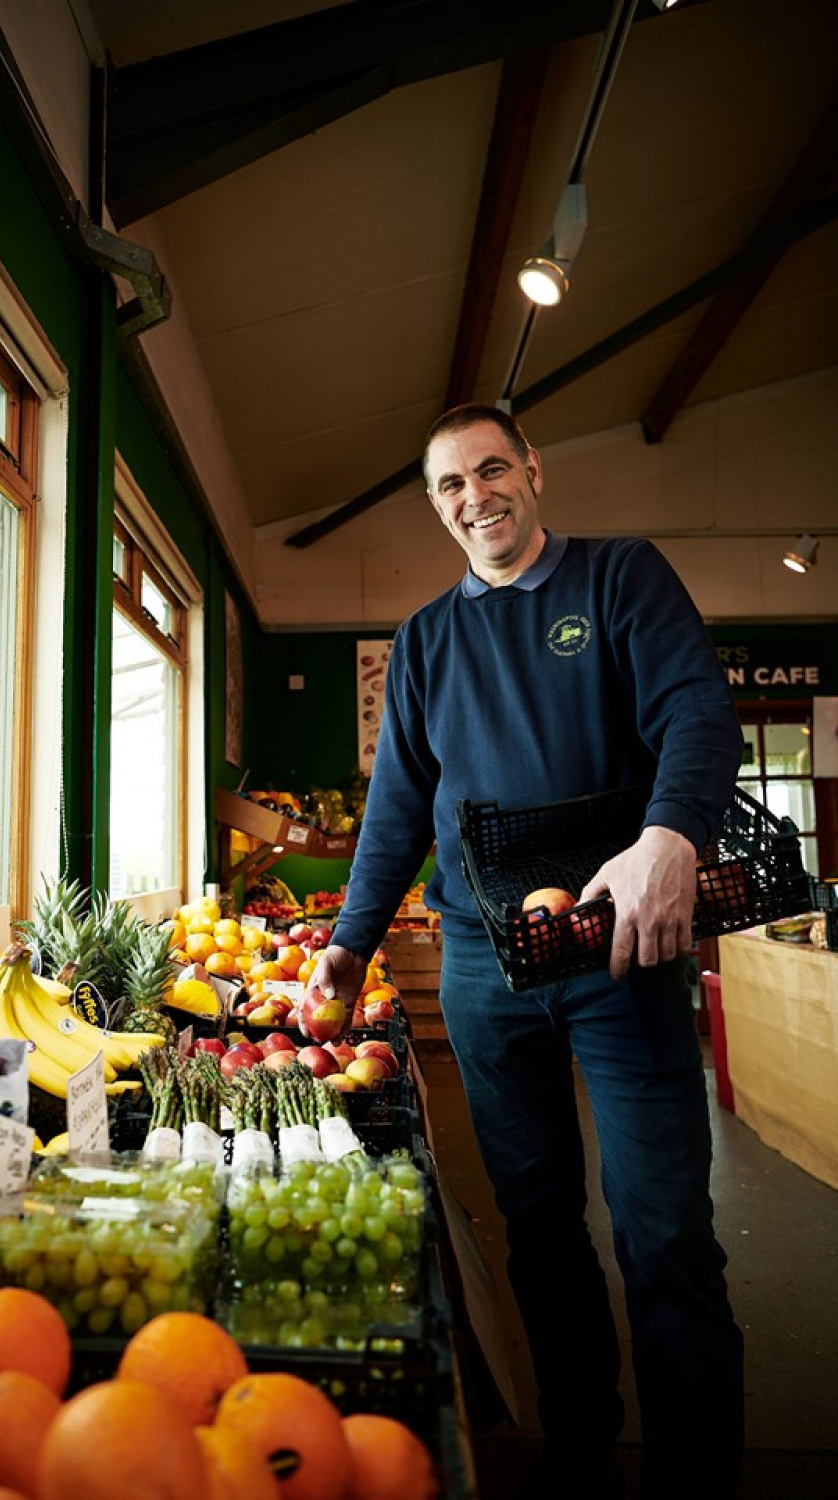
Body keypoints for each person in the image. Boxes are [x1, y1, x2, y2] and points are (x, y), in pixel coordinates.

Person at [308, 403, 745, 1499]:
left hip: (615, 953)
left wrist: (667, 835)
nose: (475, 497)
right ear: (435, 505)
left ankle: (696, 1468)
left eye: (491, 469)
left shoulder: (618, 579)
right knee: (538, 1226)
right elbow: (398, 810)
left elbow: (697, 712)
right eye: (451, 485)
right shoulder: (423, 642)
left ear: (534, 471)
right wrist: (352, 944)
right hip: (480, 969)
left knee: (663, 1228)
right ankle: (579, 1440)